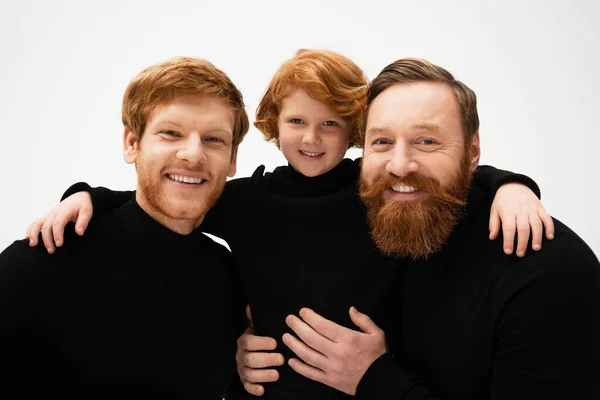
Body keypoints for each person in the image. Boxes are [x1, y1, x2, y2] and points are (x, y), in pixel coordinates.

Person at [26, 50, 554, 400]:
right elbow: (170, 191)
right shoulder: (249, 200)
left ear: (353, 130)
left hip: (369, 383)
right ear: (272, 124)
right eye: (297, 121)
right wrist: (86, 195)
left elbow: (442, 177)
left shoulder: (372, 190)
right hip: (270, 390)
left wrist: (513, 184)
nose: (312, 138)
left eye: (331, 124)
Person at [263, 58, 600, 399]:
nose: (399, 165)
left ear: (472, 153)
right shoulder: (376, 215)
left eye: (426, 142)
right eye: (381, 142)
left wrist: (374, 379)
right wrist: (250, 343)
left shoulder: (547, 272)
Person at [0, 56, 249, 398]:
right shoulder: (46, 258)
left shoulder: (229, 277)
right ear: (132, 144)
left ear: (233, 159)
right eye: (171, 133)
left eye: (213, 140)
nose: (193, 154)